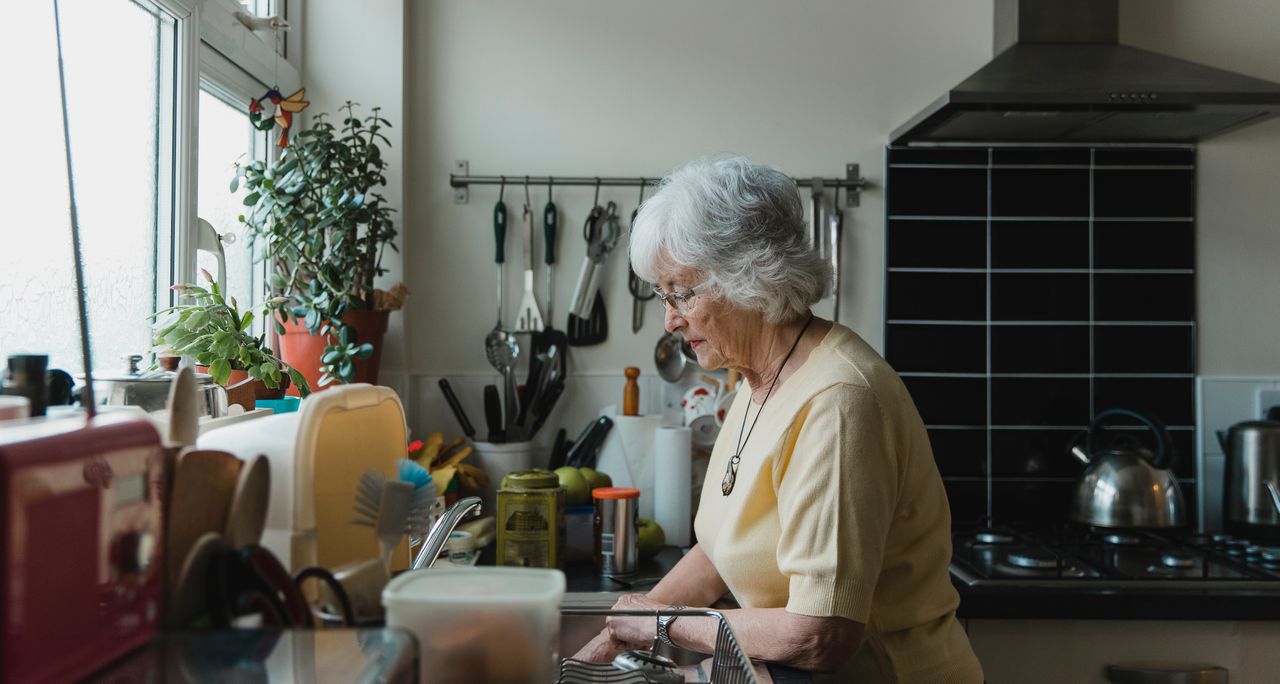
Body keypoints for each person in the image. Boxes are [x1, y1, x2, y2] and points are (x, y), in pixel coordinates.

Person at [572, 156, 983, 682]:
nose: (670, 319)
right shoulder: (757, 379)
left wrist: (661, 624)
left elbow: (820, 634)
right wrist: (605, 646)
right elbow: (721, 551)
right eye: (664, 295)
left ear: (748, 278)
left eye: (682, 293)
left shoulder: (838, 401)